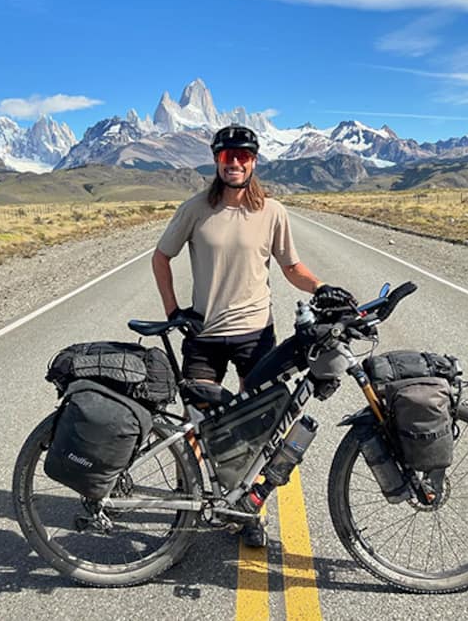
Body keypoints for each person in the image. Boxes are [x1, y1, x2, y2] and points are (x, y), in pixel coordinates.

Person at [151, 124, 354, 547]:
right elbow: (161, 258)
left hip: (254, 335)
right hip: (203, 335)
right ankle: (187, 503)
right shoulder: (195, 209)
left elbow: (291, 267)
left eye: (243, 156)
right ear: (216, 161)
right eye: (228, 156)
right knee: (196, 427)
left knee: (260, 430)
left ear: (254, 161)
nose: (236, 163)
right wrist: (174, 313)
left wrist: (321, 289)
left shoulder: (272, 212)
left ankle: (248, 513)